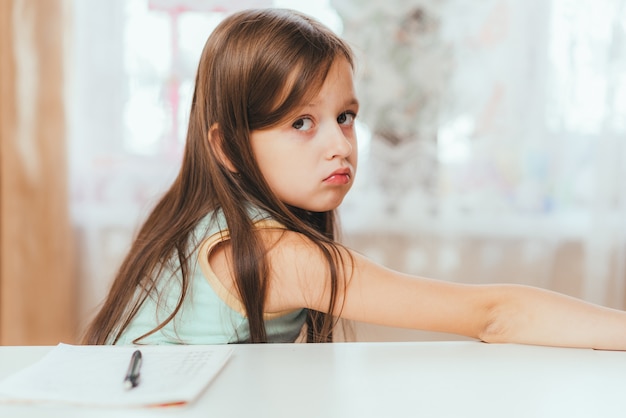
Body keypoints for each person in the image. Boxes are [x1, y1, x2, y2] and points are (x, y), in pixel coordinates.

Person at [83, 8, 626, 348]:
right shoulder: (275, 256)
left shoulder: (203, 220)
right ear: (227, 146)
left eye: (345, 116)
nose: (340, 144)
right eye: (301, 122)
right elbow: (496, 317)